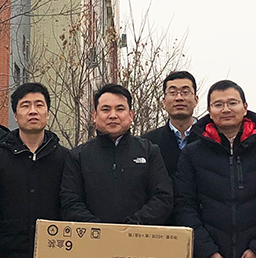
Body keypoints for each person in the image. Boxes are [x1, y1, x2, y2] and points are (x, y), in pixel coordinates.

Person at [172, 80, 256, 258]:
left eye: (232, 103)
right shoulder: (192, 155)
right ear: (209, 112)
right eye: (218, 104)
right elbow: (184, 207)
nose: (226, 109)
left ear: (245, 108)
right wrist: (207, 253)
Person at [0, 82, 68, 258]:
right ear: (15, 114)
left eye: (39, 105)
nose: (33, 111)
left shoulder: (65, 158)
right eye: (25, 105)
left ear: (48, 112)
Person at [60, 83, 173, 225]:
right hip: (93, 236)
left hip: (139, 235)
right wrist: (100, 230)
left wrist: (131, 227)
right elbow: (70, 201)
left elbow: (163, 197)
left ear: (131, 115)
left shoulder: (149, 151)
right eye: (105, 109)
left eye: (120, 109)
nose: (113, 115)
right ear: (94, 115)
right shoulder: (78, 156)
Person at [144, 70, 200, 177]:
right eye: (172, 93)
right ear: (164, 102)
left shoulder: (211, 138)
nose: (179, 98)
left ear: (196, 100)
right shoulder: (148, 143)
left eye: (185, 92)